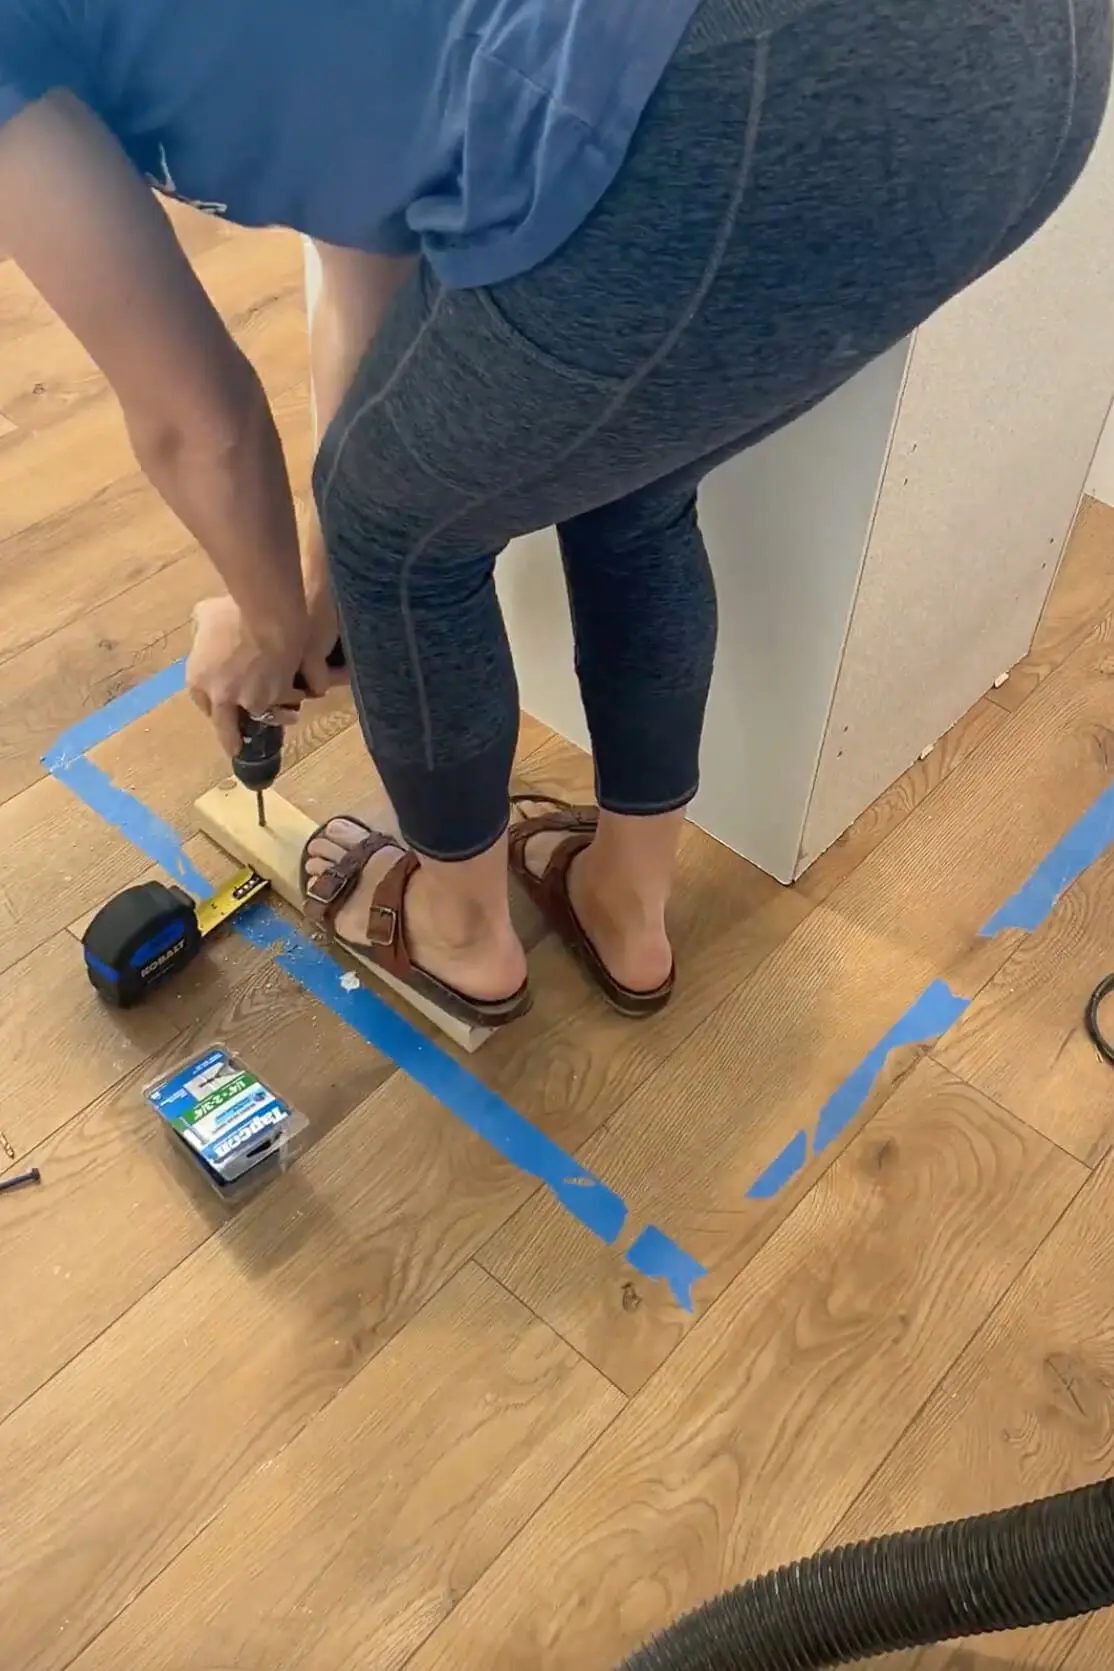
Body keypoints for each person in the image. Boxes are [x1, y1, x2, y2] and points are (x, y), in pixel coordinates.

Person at [1, 0, 1109, 1030]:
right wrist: (315, 567)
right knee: (626, 478)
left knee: (399, 539)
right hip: (1032, 76)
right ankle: (626, 902)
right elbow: (369, 237)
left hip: (771, 78)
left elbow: (197, 425)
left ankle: (459, 931)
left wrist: (276, 615)